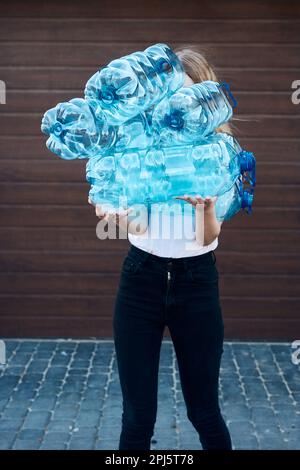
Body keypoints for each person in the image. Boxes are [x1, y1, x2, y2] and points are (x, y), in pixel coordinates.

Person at [90, 45, 233, 450]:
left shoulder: (218, 158)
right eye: (168, 97)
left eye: (186, 96)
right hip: (141, 279)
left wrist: (206, 208)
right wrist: (112, 211)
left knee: (204, 411)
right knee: (137, 418)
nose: (176, 109)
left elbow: (208, 238)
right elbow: (136, 224)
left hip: (197, 282)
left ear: (204, 99)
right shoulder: (140, 151)